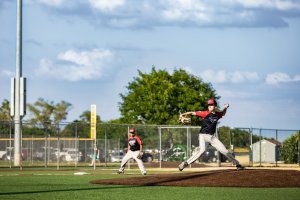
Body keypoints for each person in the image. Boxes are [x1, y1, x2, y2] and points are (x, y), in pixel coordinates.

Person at [178, 98, 244, 171]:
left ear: (215, 106)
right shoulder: (205, 113)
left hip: (212, 137)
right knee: (202, 150)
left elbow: (223, 113)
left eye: (211, 104)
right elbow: (192, 113)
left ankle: (237, 164)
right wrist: (182, 115)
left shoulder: (217, 115)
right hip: (203, 136)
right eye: (209, 105)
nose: (209, 106)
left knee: (225, 151)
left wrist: (225, 107)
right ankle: (185, 163)